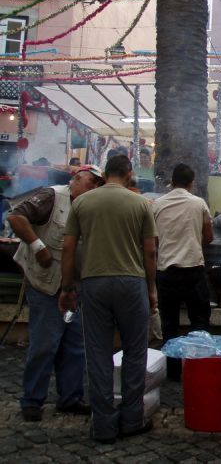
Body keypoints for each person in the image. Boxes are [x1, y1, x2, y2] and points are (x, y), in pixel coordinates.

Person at [59, 155, 157, 443]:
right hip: (131, 282)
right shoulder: (140, 203)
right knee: (135, 351)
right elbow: (150, 252)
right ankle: (131, 419)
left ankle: (102, 425)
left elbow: (67, 248)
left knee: (98, 353)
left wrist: (67, 288)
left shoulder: (82, 203)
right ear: (128, 174)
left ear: (105, 174)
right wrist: (151, 289)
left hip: (94, 281)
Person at [8, 165, 104, 422]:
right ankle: (32, 400)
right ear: (76, 179)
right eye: (91, 182)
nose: (94, 187)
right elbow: (15, 216)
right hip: (45, 283)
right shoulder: (52, 196)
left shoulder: (92, 206)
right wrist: (38, 246)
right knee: (45, 343)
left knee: (75, 344)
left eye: (98, 184)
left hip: (73, 286)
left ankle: (70, 398)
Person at [152, 164, 213, 382]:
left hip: (166, 271)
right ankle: (197, 367)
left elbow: (154, 240)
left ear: (172, 181)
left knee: (170, 323)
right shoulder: (198, 204)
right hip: (193, 270)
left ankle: (174, 372)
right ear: (191, 183)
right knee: (199, 321)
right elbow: (209, 237)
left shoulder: (157, 205)